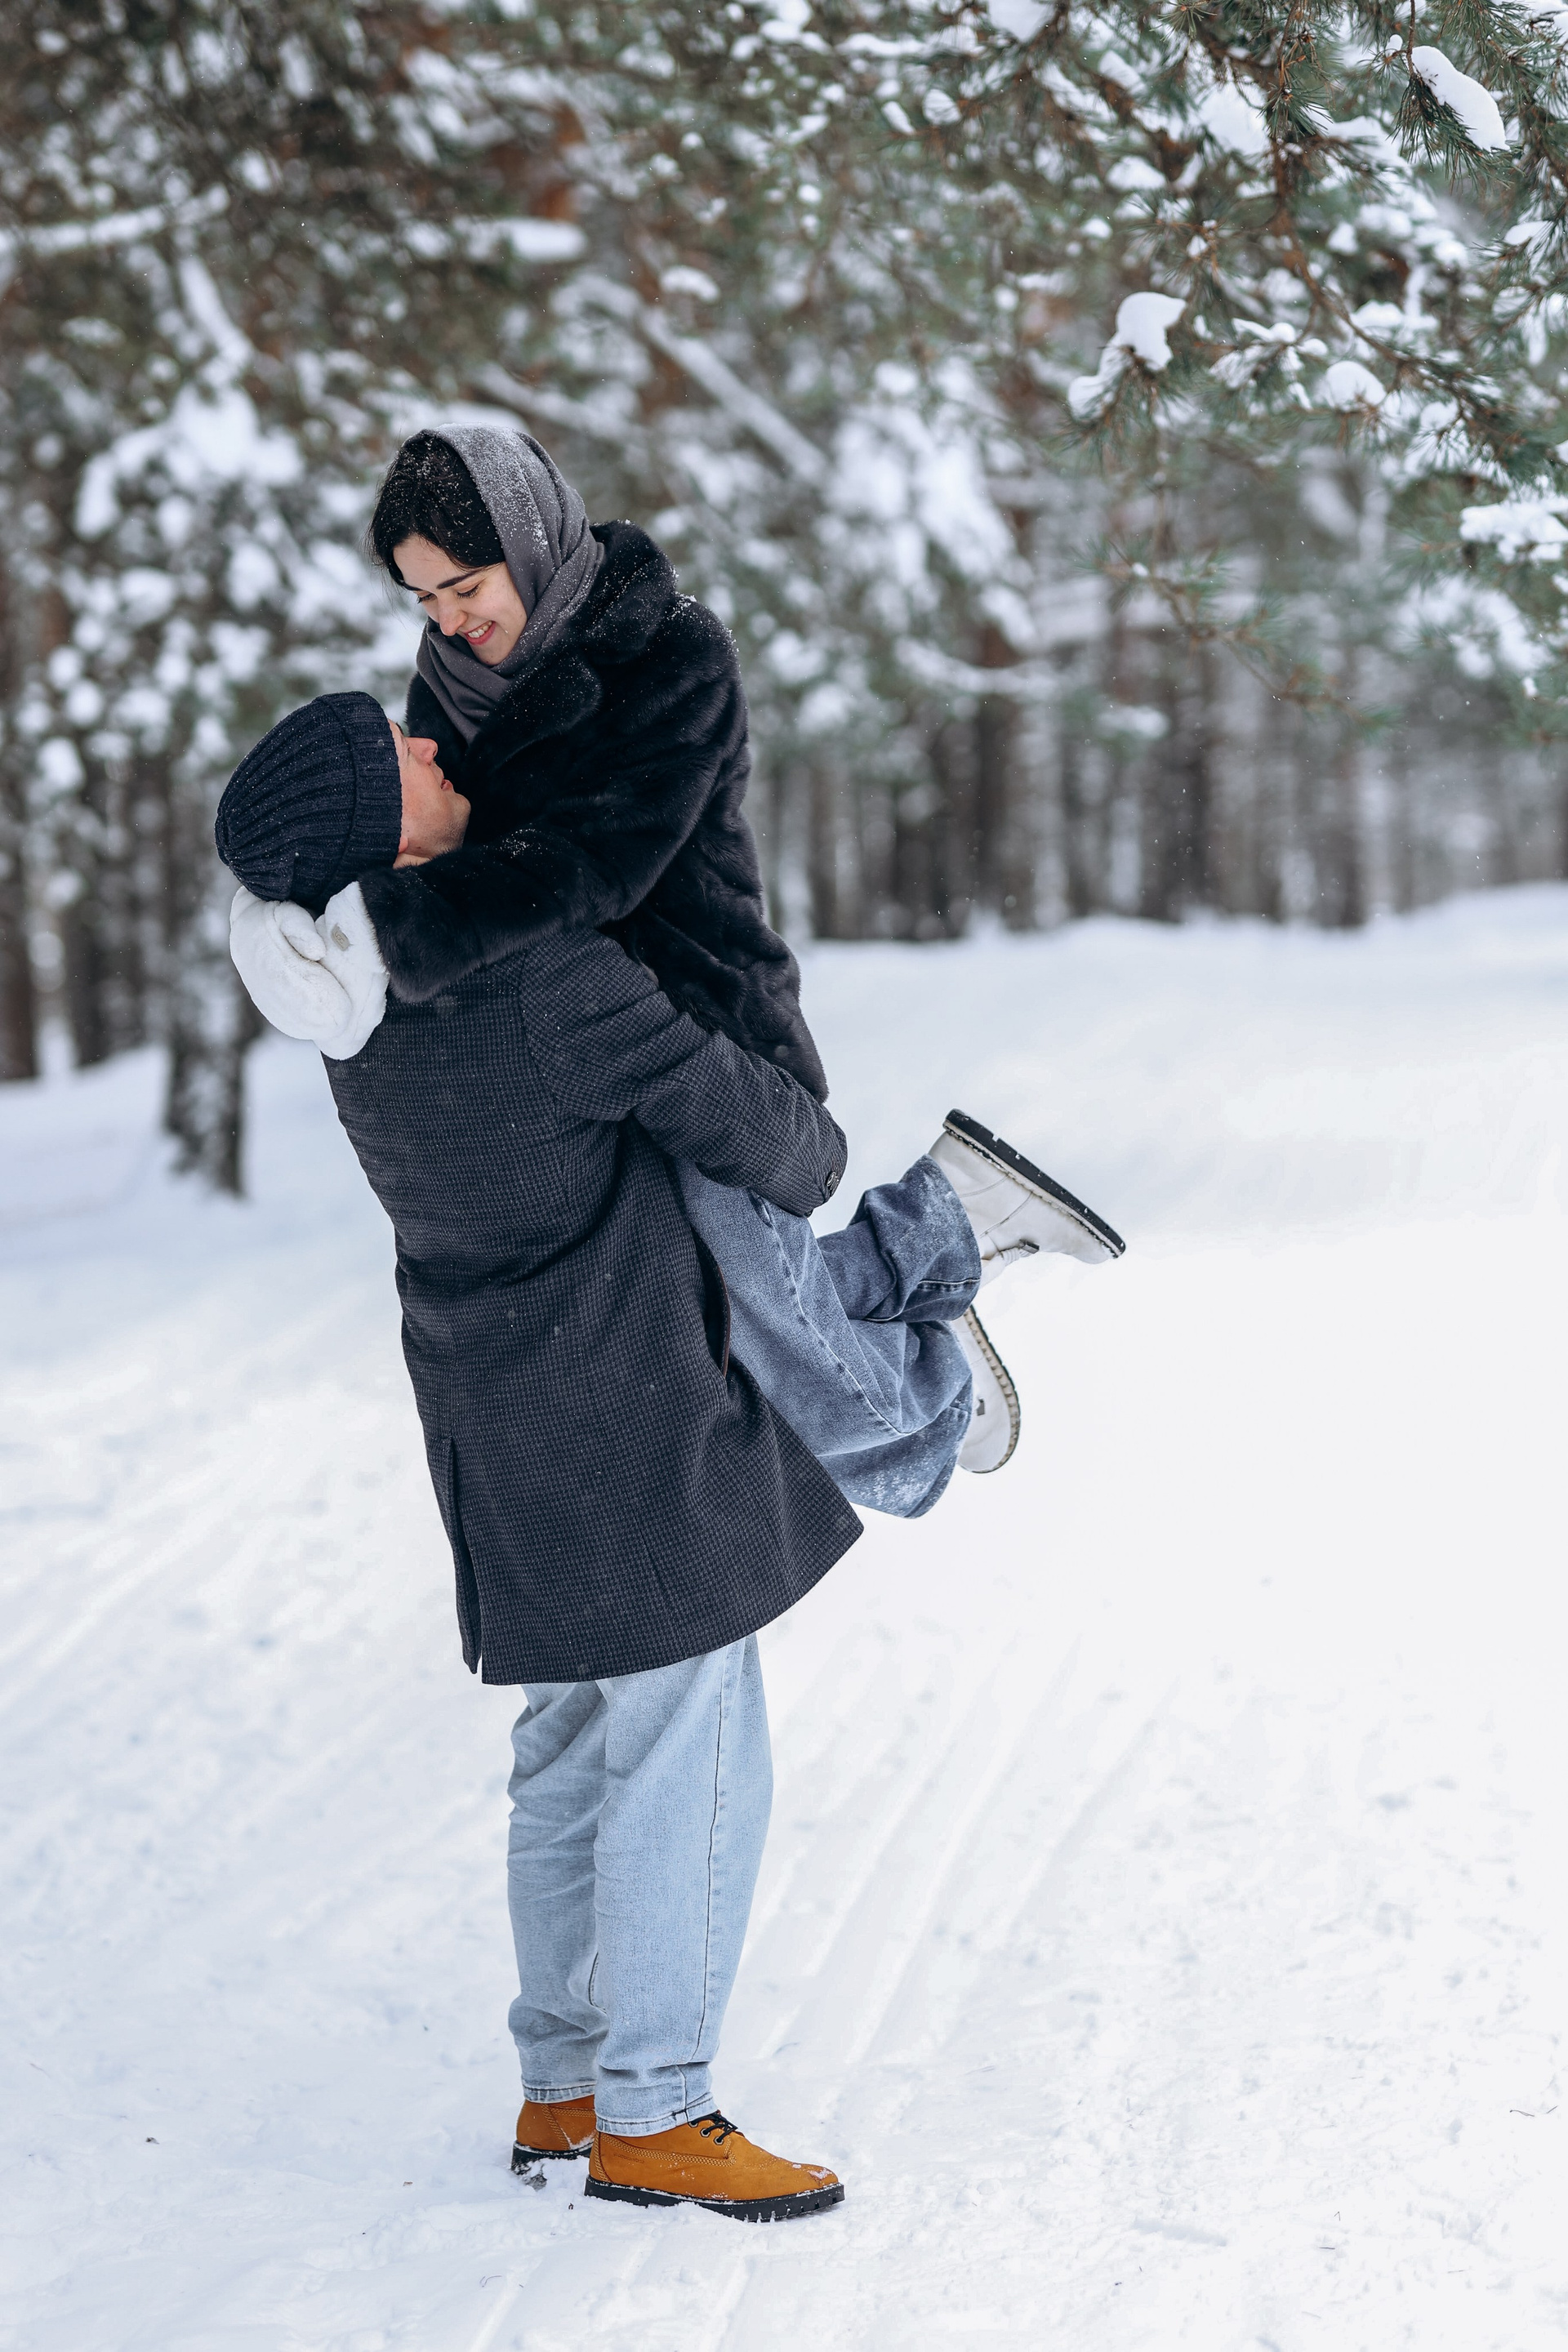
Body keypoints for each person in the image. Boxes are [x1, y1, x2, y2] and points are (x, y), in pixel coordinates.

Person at [216, 434, 1123, 2224]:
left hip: (492, 1397)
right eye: (404, 752)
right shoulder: (542, 972)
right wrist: (790, 1134)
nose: (437, 725)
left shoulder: (354, 1017)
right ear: (385, 838)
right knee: (692, 1739)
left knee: (569, 1740)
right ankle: (660, 2111)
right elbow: (782, 1147)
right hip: (617, 1388)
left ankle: (563, 2083)